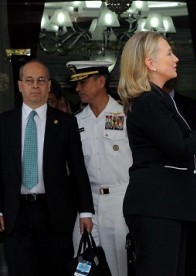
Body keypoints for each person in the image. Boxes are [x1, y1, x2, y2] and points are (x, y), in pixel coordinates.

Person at [117, 31, 196, 276]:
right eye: (169, 53)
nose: (176, 58)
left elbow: (175, 146)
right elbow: (180, 148)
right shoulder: (149, 100)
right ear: (150, 62)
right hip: (156, 206)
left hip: (167, 206)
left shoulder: (157, 99)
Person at [0, 59, 94, 276]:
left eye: (41, 80)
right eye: (29, 80)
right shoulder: (4, 123)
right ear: (20, 85)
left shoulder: (66, 122)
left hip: (55, 213)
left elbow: (78, 168)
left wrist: (86, 211)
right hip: (16, 213)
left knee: (56, 270)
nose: (35, 85)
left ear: (49, 85)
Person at [67, 60, 133, 276]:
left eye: (83, 82)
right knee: (82, 265)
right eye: (76, 83)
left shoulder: (126, 115)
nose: (77, 88)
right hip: (88, 203)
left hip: (120, 199)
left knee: (119, 266)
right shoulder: (76, 121)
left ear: (101, 81)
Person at [162, 78, 196, 275]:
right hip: (161, 193)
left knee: (188, 256)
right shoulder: (147, 104)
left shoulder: (191, 107)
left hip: (188, 191)